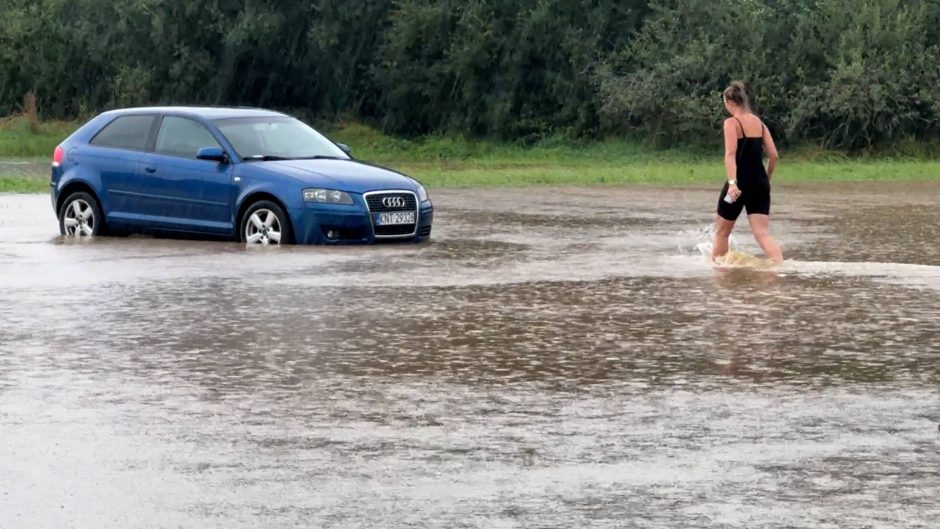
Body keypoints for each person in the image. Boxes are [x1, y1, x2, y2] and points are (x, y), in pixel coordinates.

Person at [712, 81, 783, 264]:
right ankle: (779, 266)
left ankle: (719, 271)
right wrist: (766, 179)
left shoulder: (731, 123)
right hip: (759, 182)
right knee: (762, 233)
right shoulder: (759, 122)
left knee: (721, 231)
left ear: (729, 101)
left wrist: (733, 184)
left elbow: (730, 155)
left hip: (738, 184)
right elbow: (774, 156)